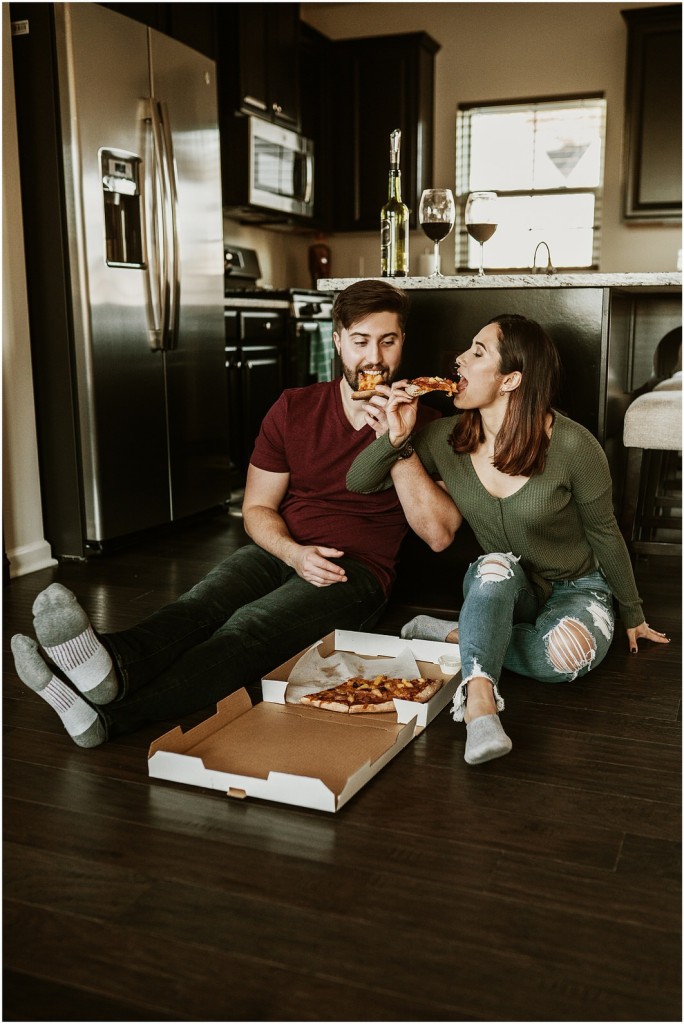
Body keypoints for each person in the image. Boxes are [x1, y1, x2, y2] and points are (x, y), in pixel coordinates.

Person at [11, 279, 439, 748]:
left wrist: (398, 446)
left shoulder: (425, 422)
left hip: (354, 573)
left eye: (388, 341)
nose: (374, 357)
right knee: (200, 605)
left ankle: (109, 715)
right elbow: (256, 507)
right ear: (337, 341)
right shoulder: (294, 408)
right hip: (282, 549)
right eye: (360, 341)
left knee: (246, 630)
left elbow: (437, 535)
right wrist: (292, 552)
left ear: (402, 343)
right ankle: (109, 661)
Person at [347, 312, 670, 766]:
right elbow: (360, 481)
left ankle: (459, 634)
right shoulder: (445, 437)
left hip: (579, 588)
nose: (459, 359)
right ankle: (479, 704)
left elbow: (604, 531)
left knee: (558, 661)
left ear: (511, 379)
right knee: (493, 565)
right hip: (502, 586)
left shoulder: (574, 446)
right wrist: (395, 437)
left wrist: (632, 613)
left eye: (477, 352)